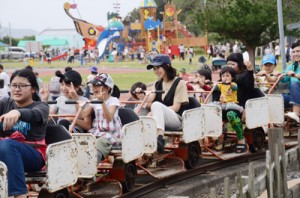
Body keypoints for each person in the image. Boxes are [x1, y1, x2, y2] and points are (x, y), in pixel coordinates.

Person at [0, 69, 49, 197]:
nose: (17, 89)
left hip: (33, 155)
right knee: (6, 145)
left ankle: (19, 195)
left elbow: (34, 114)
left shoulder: (41, 107)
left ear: (33, 89)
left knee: (7, 145)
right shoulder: (5, 103)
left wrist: (18, 112)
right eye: (14, 85)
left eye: (22, 86)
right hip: (5, 150)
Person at [143, 54, 189, 154]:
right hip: (162, 119)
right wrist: (141, 95)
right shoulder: (157, 84)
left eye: (158, 68)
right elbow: (148, 101)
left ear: (167, 66)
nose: (156, 71)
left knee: (156, 105)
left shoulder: (179, 83)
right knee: (146, 113)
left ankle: (160, 138)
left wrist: (156, 111)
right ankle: (145, 144)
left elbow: (176, 108)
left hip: (177, 120)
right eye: (154, 69)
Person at [80, 73, 122, 162]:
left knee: (99, 143)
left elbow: (109, 117)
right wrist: (75, 98)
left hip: (111, 135)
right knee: (83, 141)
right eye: (93, 85)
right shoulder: (94, 101)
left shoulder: (113, 101)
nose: (94, 88)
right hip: (97, 133)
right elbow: (82, 115)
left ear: (107, 88)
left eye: (98, 86)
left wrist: (102, 102)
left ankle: (91, 164)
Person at [225, 53, 256, 153]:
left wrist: (250, 70)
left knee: (231, 114)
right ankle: (216, 139)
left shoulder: (244, 75)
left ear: (239, 64)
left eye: (232, 64)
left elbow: (249, 89)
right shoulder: (226, 75)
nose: (229, 66)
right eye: (228, 64)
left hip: (241, 105)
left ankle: (241, 138)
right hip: (226, 104)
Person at [281, 40, 300, 122]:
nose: (295, 54)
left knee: (294, 83)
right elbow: (282, 78)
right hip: (293, 96)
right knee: (277, 98)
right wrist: (267, 75)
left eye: (298, 51)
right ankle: (270, 124)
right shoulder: (292, 66)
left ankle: (296, 113)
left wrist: (295, 75)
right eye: (293, 52)